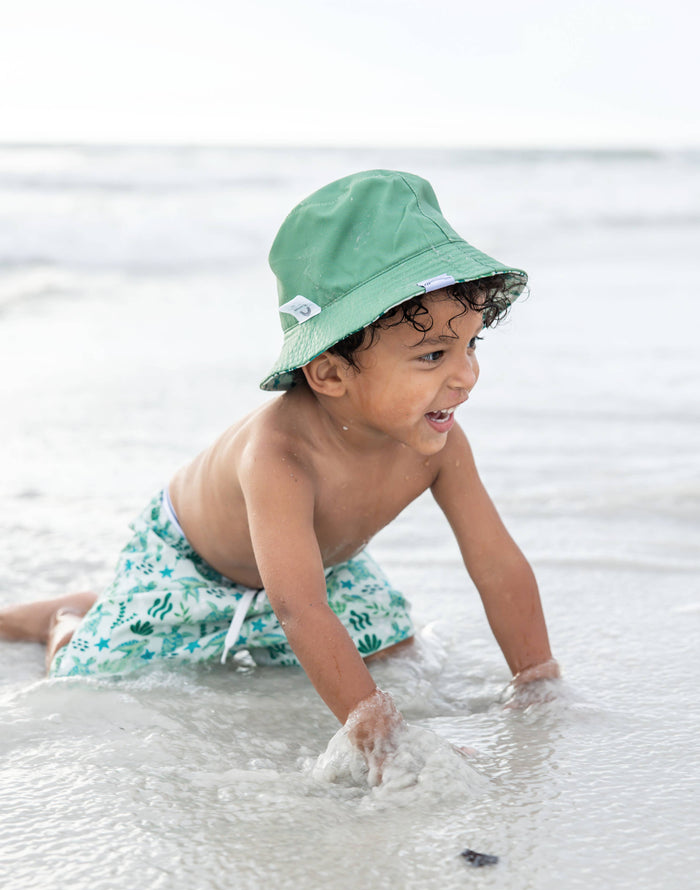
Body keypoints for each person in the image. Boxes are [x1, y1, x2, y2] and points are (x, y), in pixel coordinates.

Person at [0, 169, 560, 767]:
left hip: (313, 567)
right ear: (330, 374)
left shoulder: (440, 443)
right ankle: (68, 615)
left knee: (397, 650)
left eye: (471, 344)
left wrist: (537, 679)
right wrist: (381, 738)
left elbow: (495, 561)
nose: (466, 375)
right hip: (189, 565)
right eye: (432, 355)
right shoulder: (279, 456)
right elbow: (300, 611)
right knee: (86, 676)